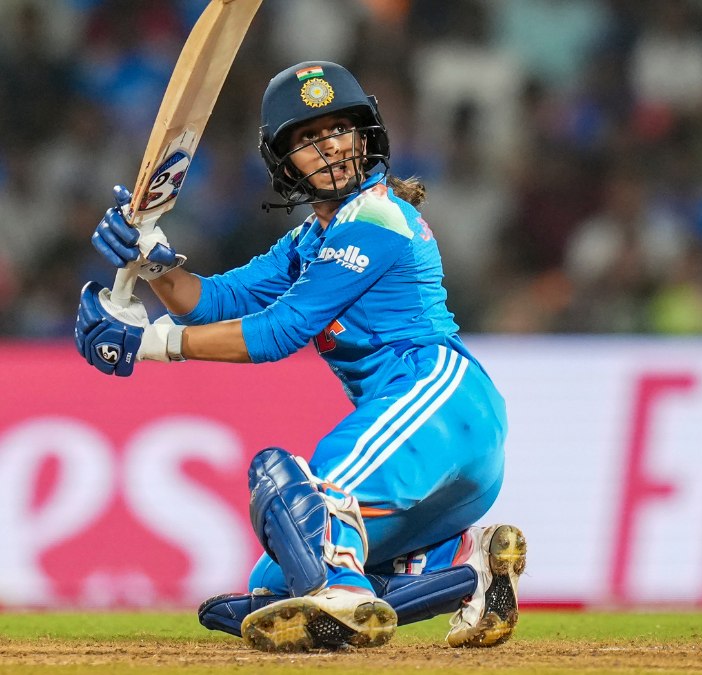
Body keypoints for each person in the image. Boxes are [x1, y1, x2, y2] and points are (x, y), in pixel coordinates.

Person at [75, 61, 526, 653]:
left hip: (437, 402)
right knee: (276, 582)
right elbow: (212, 301)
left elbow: (279, 331)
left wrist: (147, 343)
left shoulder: (377, 216)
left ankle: (343, 592)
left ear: (365, 136)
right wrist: (152, 260)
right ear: (285, 163)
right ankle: (468, 566)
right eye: (309, 138)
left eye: (339, 129)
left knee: (291, 484)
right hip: (433, 446)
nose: (330, 146)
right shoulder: (311, 240)